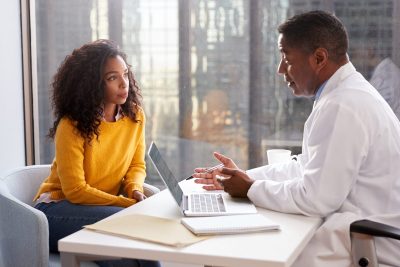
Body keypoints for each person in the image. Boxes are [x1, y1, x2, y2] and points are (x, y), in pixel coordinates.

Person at [193, 11, 400, 267]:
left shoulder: (343, 105)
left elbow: (317, 199)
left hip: (367, 242)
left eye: (286, 57)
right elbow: (307, 165)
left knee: (228, 254)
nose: (281, 69)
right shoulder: (346, 94)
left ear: (319, 58)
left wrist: (250, 188)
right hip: (358, 228)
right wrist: (246, 176)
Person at [33, 39, 160, 267]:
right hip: (54, 211)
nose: (124, 83)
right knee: (127, 226)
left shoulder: (135, 116)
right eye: (112, 78)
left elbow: (136, 166)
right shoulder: (71, 125)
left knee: (142, 254)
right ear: (93, 84)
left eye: (125, 74)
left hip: (102, 208)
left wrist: (135, 189)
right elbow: (75, 191)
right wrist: (126, 204)